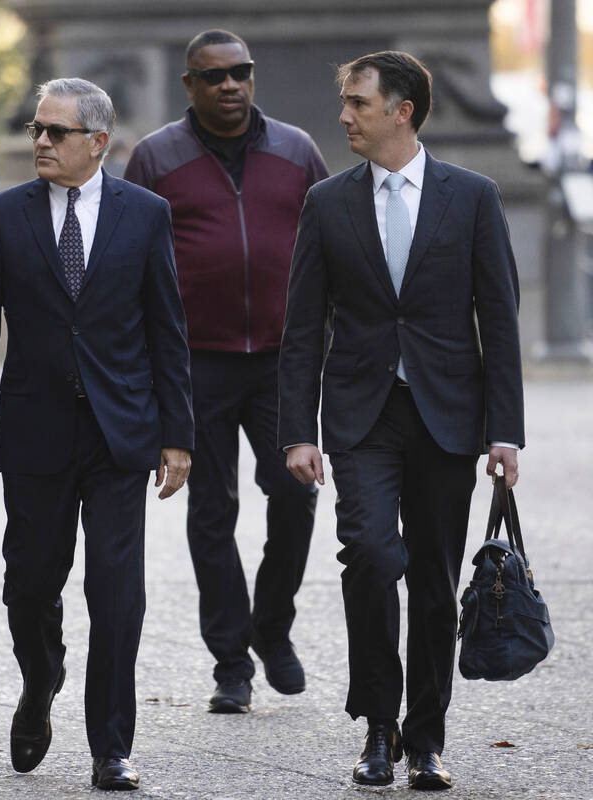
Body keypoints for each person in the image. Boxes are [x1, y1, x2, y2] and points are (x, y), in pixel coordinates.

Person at [278, 51, 524, 790]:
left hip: (449, 416)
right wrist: (297, 429)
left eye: (358, 103)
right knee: (375, 557)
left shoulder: (472, 195)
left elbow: (500, 319)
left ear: (403, 111)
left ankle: (426, 740)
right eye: (345, 101)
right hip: (362, 414)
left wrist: (505, 431)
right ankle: (377, 727)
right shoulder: (327, 203)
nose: (345, 116)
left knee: (434, 581)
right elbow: (302, 327)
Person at [0, 78, 195, 792]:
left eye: (56, 132)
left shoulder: (145, 215)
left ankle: (110, 746)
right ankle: (42, 674)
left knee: (117, 592)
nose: (42, 143)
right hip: (35, 431)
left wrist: (177, 435)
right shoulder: (2, 215)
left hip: (121, 435)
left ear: (98, 142)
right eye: (36, 131)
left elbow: (166, 330)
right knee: (29, 583)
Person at [124, 28, 328, 714]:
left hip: (280, 362)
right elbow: (131, 265)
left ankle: (271, 624)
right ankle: (231, 664)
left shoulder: (297, 150)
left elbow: (332, 243)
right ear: (191, 86)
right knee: (212, 513)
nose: (230, 86)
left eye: (241, 72)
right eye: (214, 77)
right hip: (194, 364)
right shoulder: (157, 157)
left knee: (296, 497)